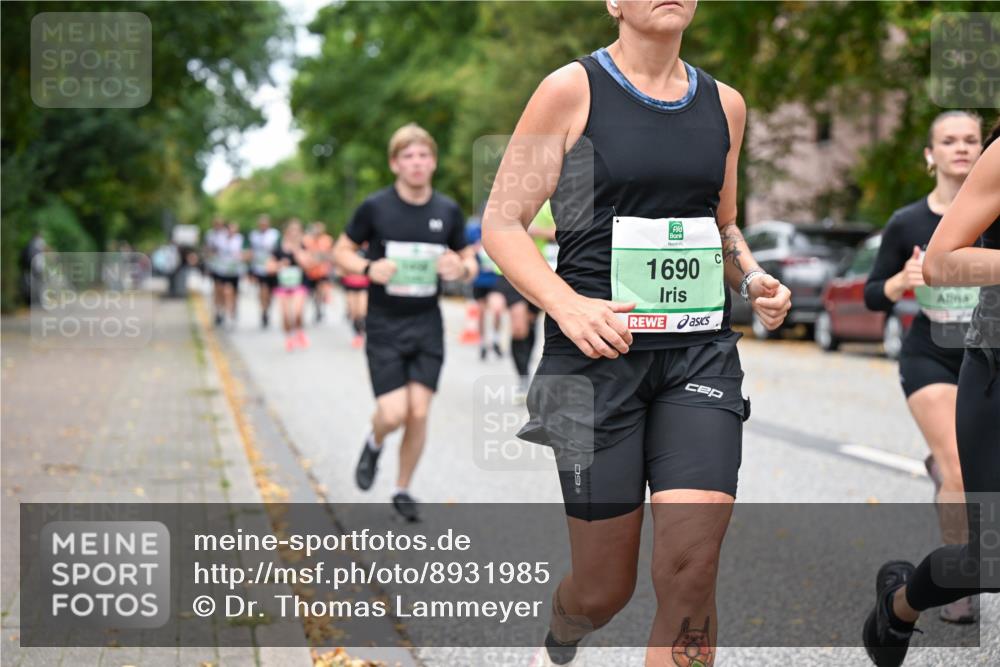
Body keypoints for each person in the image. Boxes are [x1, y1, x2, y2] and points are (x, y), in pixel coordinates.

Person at [481, 2, 791, 665]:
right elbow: (502, 224)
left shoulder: (726, 105)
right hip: (595, 361)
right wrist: (568, 305)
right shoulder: (570, 90)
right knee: (602, 590)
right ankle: (564, 632)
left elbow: (721, 224)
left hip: (699, 355)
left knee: (692, 567)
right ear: (613, 3)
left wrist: (753, 277)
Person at [862, 118, 1000, 667]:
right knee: (989, 560)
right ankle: (897, 606)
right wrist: (899, 282)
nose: (960, 148)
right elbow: (936, 265)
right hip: (975, 362)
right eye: (949, 141)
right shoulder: (909, 220)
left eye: (967, 139)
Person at [333, 123, 477, 523]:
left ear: (433, 162)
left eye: (423, 155)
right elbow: (340, 251)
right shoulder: (375, 207)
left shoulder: (447, 210)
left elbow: (469, 258)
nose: (416, 163)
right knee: (394, 413)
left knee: (418, 412)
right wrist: (368, 268)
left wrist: (461, 267)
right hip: (385, 324)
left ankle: (401, 488)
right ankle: (374, 440)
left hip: (427, 324)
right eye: (408, 156)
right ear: (395, 164)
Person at [494, 200, 558, 396]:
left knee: (530, 324)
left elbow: (560, 232)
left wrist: (536, 231)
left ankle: (528, 369)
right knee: (518, 326)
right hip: (511, 269)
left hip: (538, 271)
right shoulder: (509, 201)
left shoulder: (547, 205)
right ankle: (522, 376)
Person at [466, 216, 505, 360]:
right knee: (482, 312)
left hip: (495, 278)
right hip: (479, 280)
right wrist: (474, 249)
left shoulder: (499, 230)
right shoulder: (473, 231)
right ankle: (483, 343)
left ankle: (495, 340)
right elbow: (464, 250)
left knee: (497, 309)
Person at [272, 219, 311, 351]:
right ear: (287, 232)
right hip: (283, 286)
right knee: (286, 315)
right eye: (292, 231)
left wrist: (296, 250)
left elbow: (307, 265)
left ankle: (299, 331)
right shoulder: (278, 248)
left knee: (297, 312)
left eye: (297, 231)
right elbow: (269, 267)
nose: (294, 233)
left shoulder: (302, 247)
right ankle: (289, 337)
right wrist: (280, 265)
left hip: (299, 285)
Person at [209, 220, 244, 329]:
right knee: (222, 291)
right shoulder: (219, 239)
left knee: (233, 293)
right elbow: (211, 251)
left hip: (234, 271)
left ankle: (233, 311)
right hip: (221, 270)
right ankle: (220, 311)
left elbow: (246, 253)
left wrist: (241, 256)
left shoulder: (240, 239)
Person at [247, 214, 280, 328]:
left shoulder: (274, 234)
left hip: (272, 268)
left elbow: (279, 250)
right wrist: (249, 269)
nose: (263, 226)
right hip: (259, 268)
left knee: (270, 293)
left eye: (265, 224)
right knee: (262, 289)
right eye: (261, 224)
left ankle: (267, 308)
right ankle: (263, 311)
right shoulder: (254, 235)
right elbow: (250, 251)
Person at [304, 221, 336, 323]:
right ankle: (317, 306)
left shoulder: (327, 240)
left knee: (322, 289)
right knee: (313, 292)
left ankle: (320, 307)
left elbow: (330, 254)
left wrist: (322, 257)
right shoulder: (307, 240)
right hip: (311, 271)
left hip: (323, 270)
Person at [341, 245, 371, 348]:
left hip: (363, 284)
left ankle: (362, 332)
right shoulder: (348, 250)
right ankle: (357, 334)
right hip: (350, 284)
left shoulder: (367, 249)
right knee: (354, 312)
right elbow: (341, 267)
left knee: (362, 310)